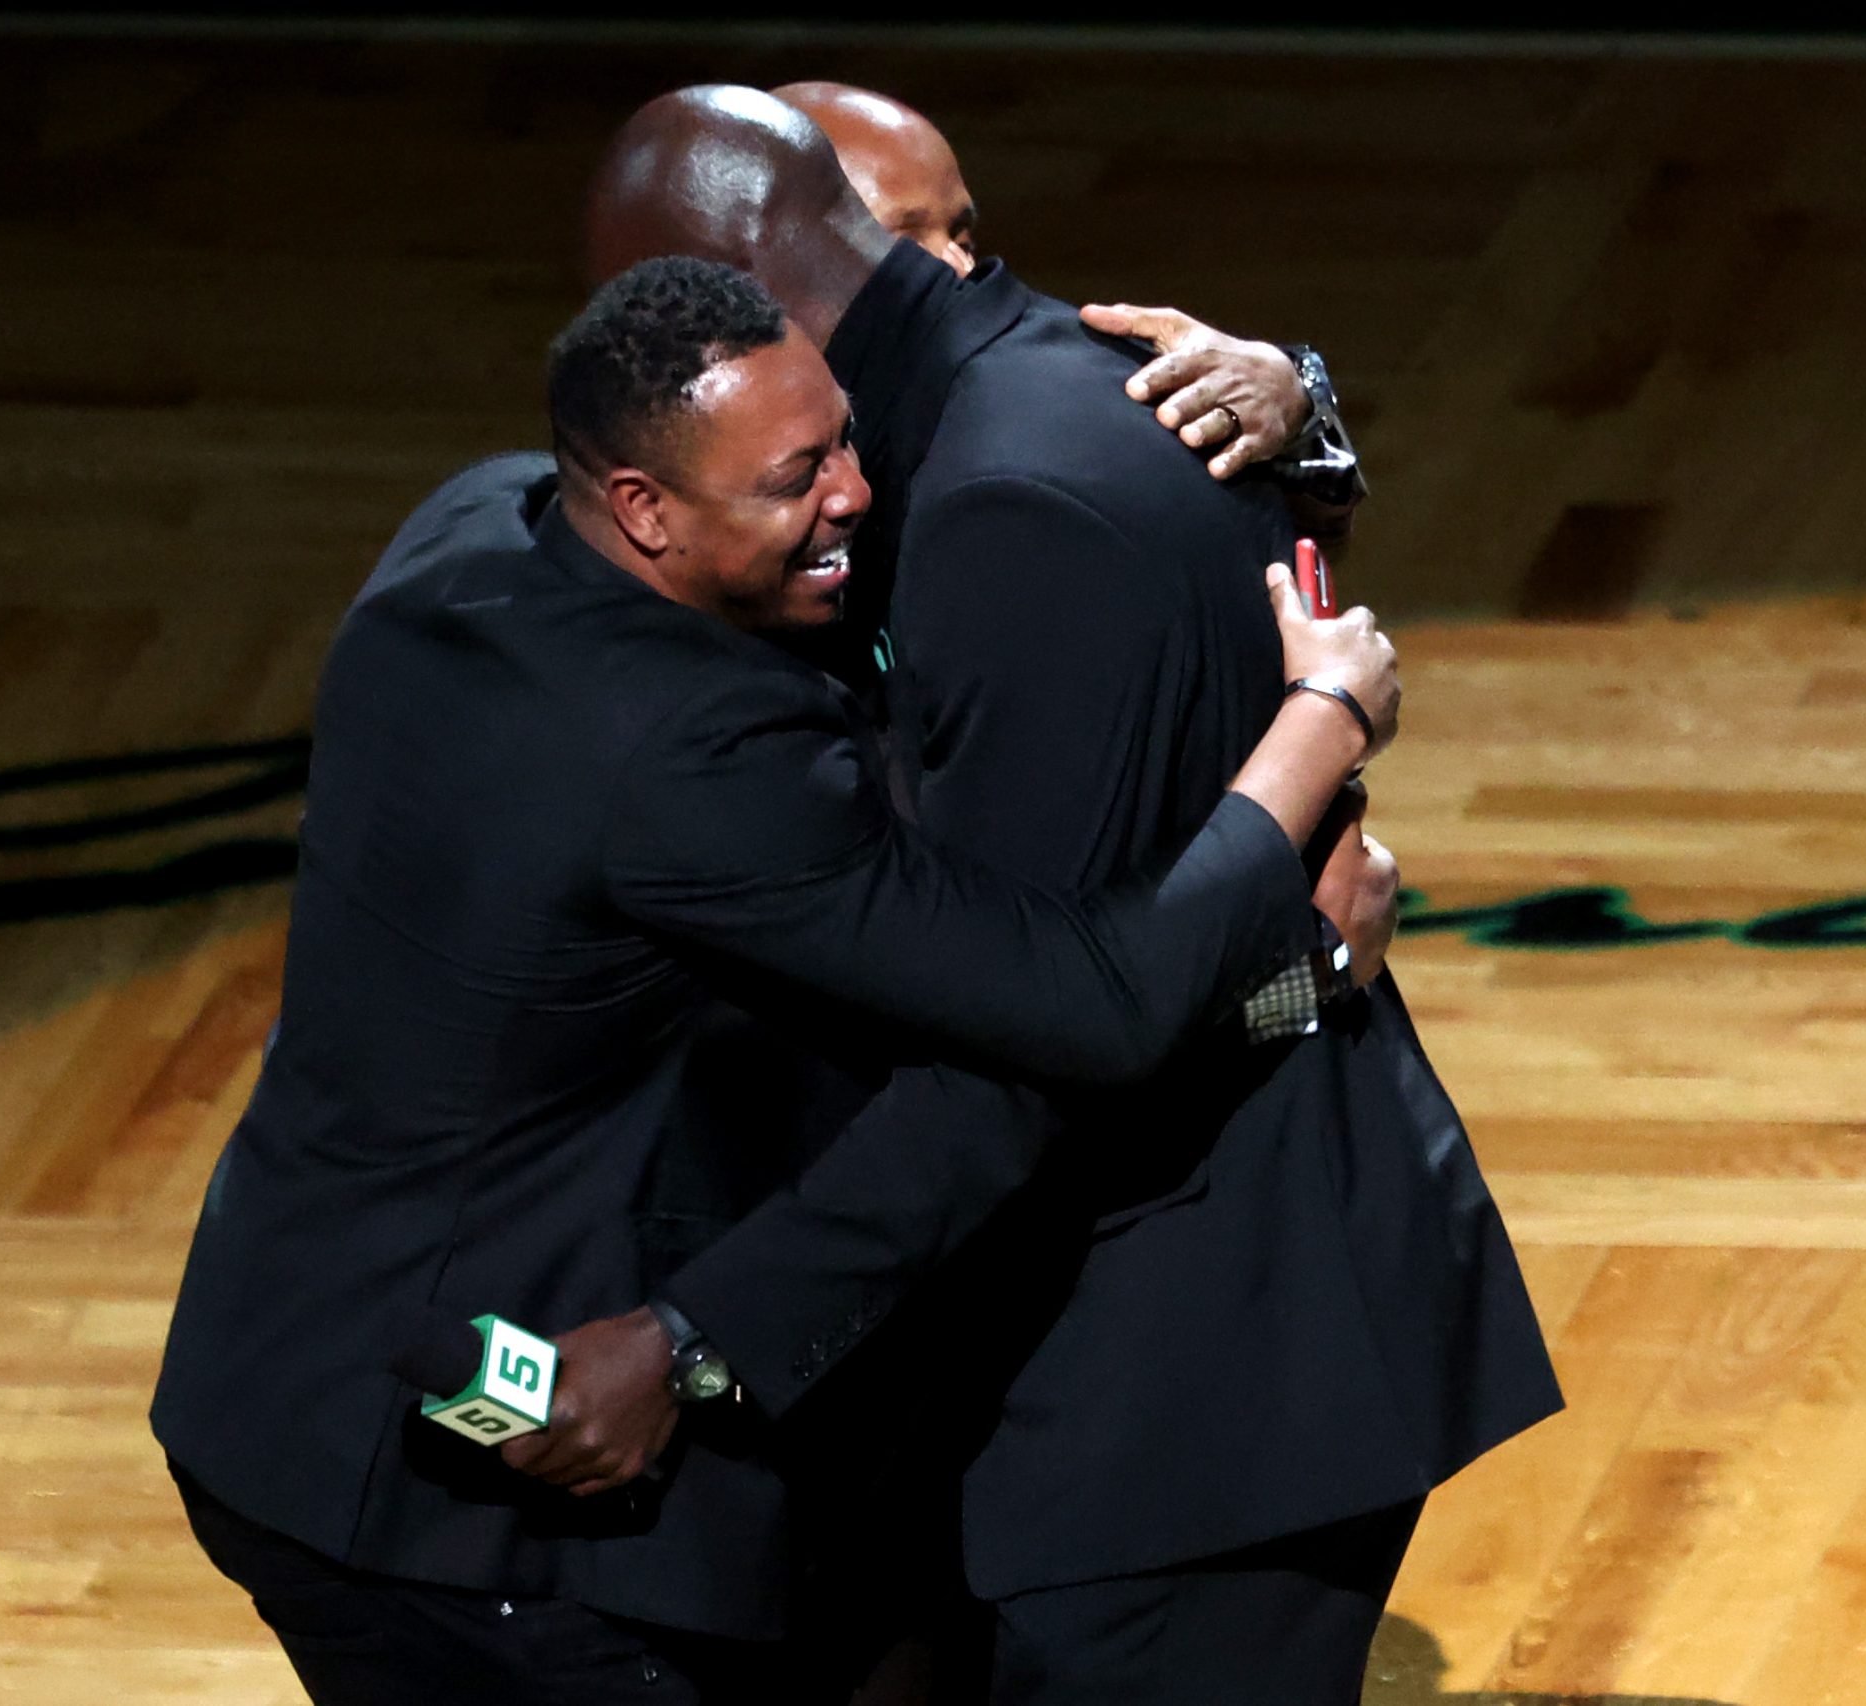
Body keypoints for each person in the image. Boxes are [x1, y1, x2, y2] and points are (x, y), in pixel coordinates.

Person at [151, 254, 1399, 1704]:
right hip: (475, 1492)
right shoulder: (699, 764)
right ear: (643, 508)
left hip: (278, 1356)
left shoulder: (473, 528)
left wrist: (1296, 409)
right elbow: (1080, 1021)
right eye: (797, 477)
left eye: (846, 439)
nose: (860, 495)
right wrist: (1312, 749)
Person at [547, 87, 1561, 1706]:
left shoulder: (1011, 504)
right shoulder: (1002, 420)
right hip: (1066, 1340)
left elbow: (1036, 1044)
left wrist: (691, 1344)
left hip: (1190, 1381)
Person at [770, 79, 1368, 546]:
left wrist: (1297, 399)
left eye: (963, 236)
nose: (957, 268)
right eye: (905, 241)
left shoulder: (1038, 405)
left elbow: (1308, 543)